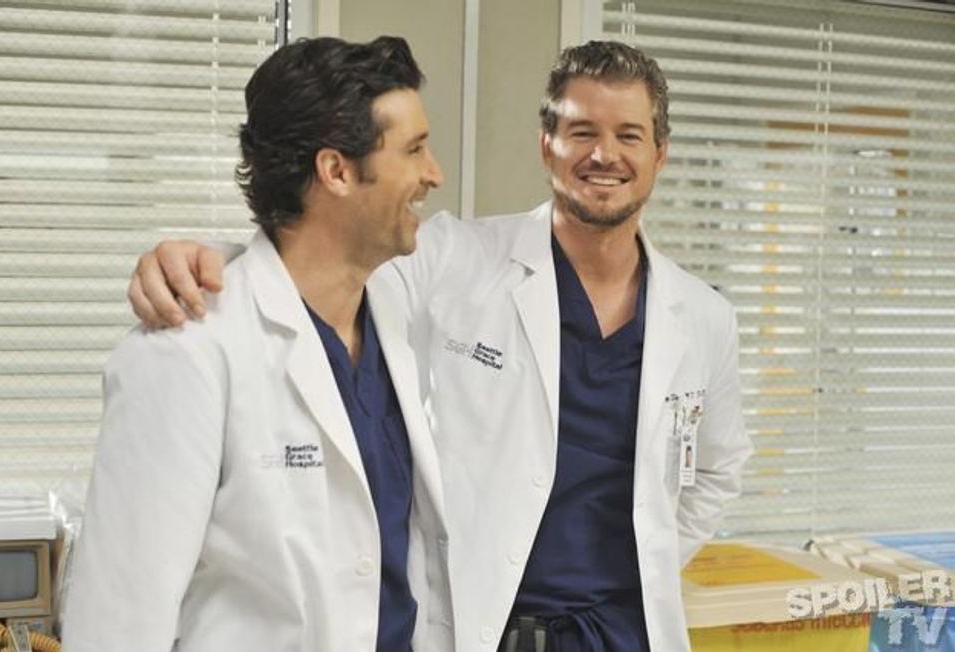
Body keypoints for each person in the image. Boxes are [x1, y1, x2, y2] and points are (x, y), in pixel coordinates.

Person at [128, 41, 752, 652]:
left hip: (625, 632)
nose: (604, 155)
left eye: (629, 135)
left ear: (660, 152)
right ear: (547, 145)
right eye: (581, 131)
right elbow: (323, 257)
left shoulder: (703, 318)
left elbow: (717, 470)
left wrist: (650, 553)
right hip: (485, 627)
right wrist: (208, 261)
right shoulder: (456, 259)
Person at [62, 36, 452, 651]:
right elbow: (118, 619)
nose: (434, 174)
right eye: (414, 150)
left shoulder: (393, 312)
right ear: (336, 170)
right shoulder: (186, 352)